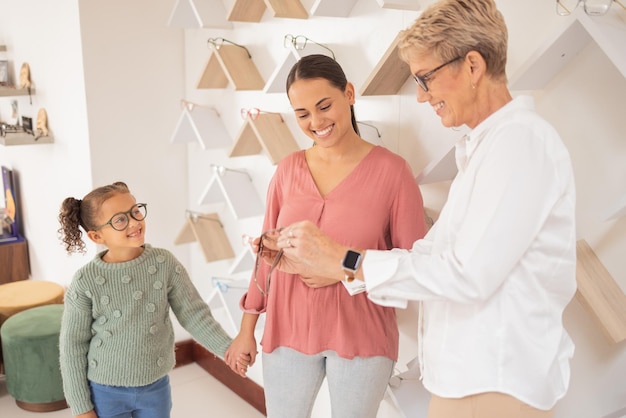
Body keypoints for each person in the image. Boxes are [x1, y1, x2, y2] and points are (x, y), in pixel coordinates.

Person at [268, 1, 577, 417]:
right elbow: (432, 256)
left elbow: (466, 275)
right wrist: (339, 263)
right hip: (469, 378)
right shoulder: (485, 149)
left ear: (472, 66)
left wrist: (344, 260)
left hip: (496, 380)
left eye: (425, 78)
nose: (419, 95)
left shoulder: (519, 144)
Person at [224, 54, 427, 418]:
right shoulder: (287, 170)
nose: (316, 122)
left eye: (324, 106)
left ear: (348, 93)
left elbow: (413, 270)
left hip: (362, 334)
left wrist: (339, 269)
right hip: (288, 328)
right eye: (302, 114)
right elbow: (264, 256)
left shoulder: (393, 173)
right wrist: (246, 328)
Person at [57, 181, 250, 418]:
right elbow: (72, 347)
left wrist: (227, 348)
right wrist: (81, 408)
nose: (135, 222)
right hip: (105, 392)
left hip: (155, 387)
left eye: (135, 211)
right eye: (120, 219)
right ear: (97, 236)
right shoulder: (85, 281)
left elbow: (194, 314)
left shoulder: (164, 263)